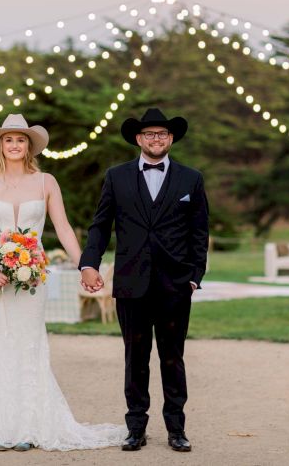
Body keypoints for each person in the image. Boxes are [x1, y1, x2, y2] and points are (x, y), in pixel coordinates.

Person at [0, 113, 126, 452]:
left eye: (21, 140)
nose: (15, 145)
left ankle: (27, 427)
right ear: (0, 146)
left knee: (28, 344)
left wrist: (85, 266)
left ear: (30, 146)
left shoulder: (46, 182)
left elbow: (63, 228)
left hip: (33, 276)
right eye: (9, 140)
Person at [80, 108, 209, 452]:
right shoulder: (116, 176)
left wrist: (195, 276)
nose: (156, 139)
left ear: (171, 139)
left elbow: (199, 232)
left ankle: (176, 429)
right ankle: (135, 427)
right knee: (135, 357)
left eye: (162, 134)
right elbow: (100, 225)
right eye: (149, 134)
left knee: (173, 357)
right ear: (139, 139)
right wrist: (88, 264)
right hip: (131, 282)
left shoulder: (190, 179)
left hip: (175, 285)